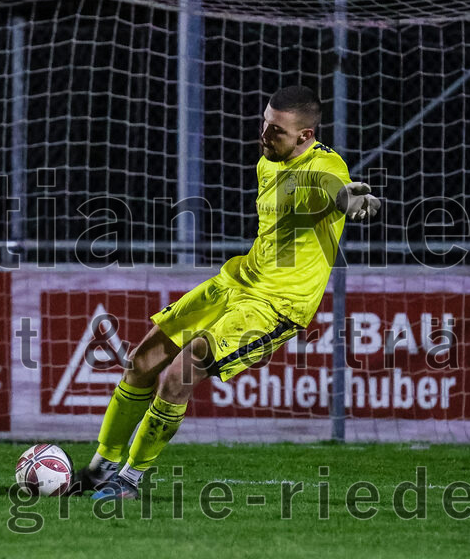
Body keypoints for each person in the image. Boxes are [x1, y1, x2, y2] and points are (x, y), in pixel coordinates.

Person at [78, 85, 381, 500]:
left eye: (276, 130)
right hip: (236, 281)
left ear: (305, 136)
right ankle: (100, 468)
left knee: (180, 374)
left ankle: (128, 481)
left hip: (276, 305)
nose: (264, 135)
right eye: (264, 123)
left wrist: (347, 198)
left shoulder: (324, 165)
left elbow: (332, 187)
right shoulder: (268, 161)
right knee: (142, 359)